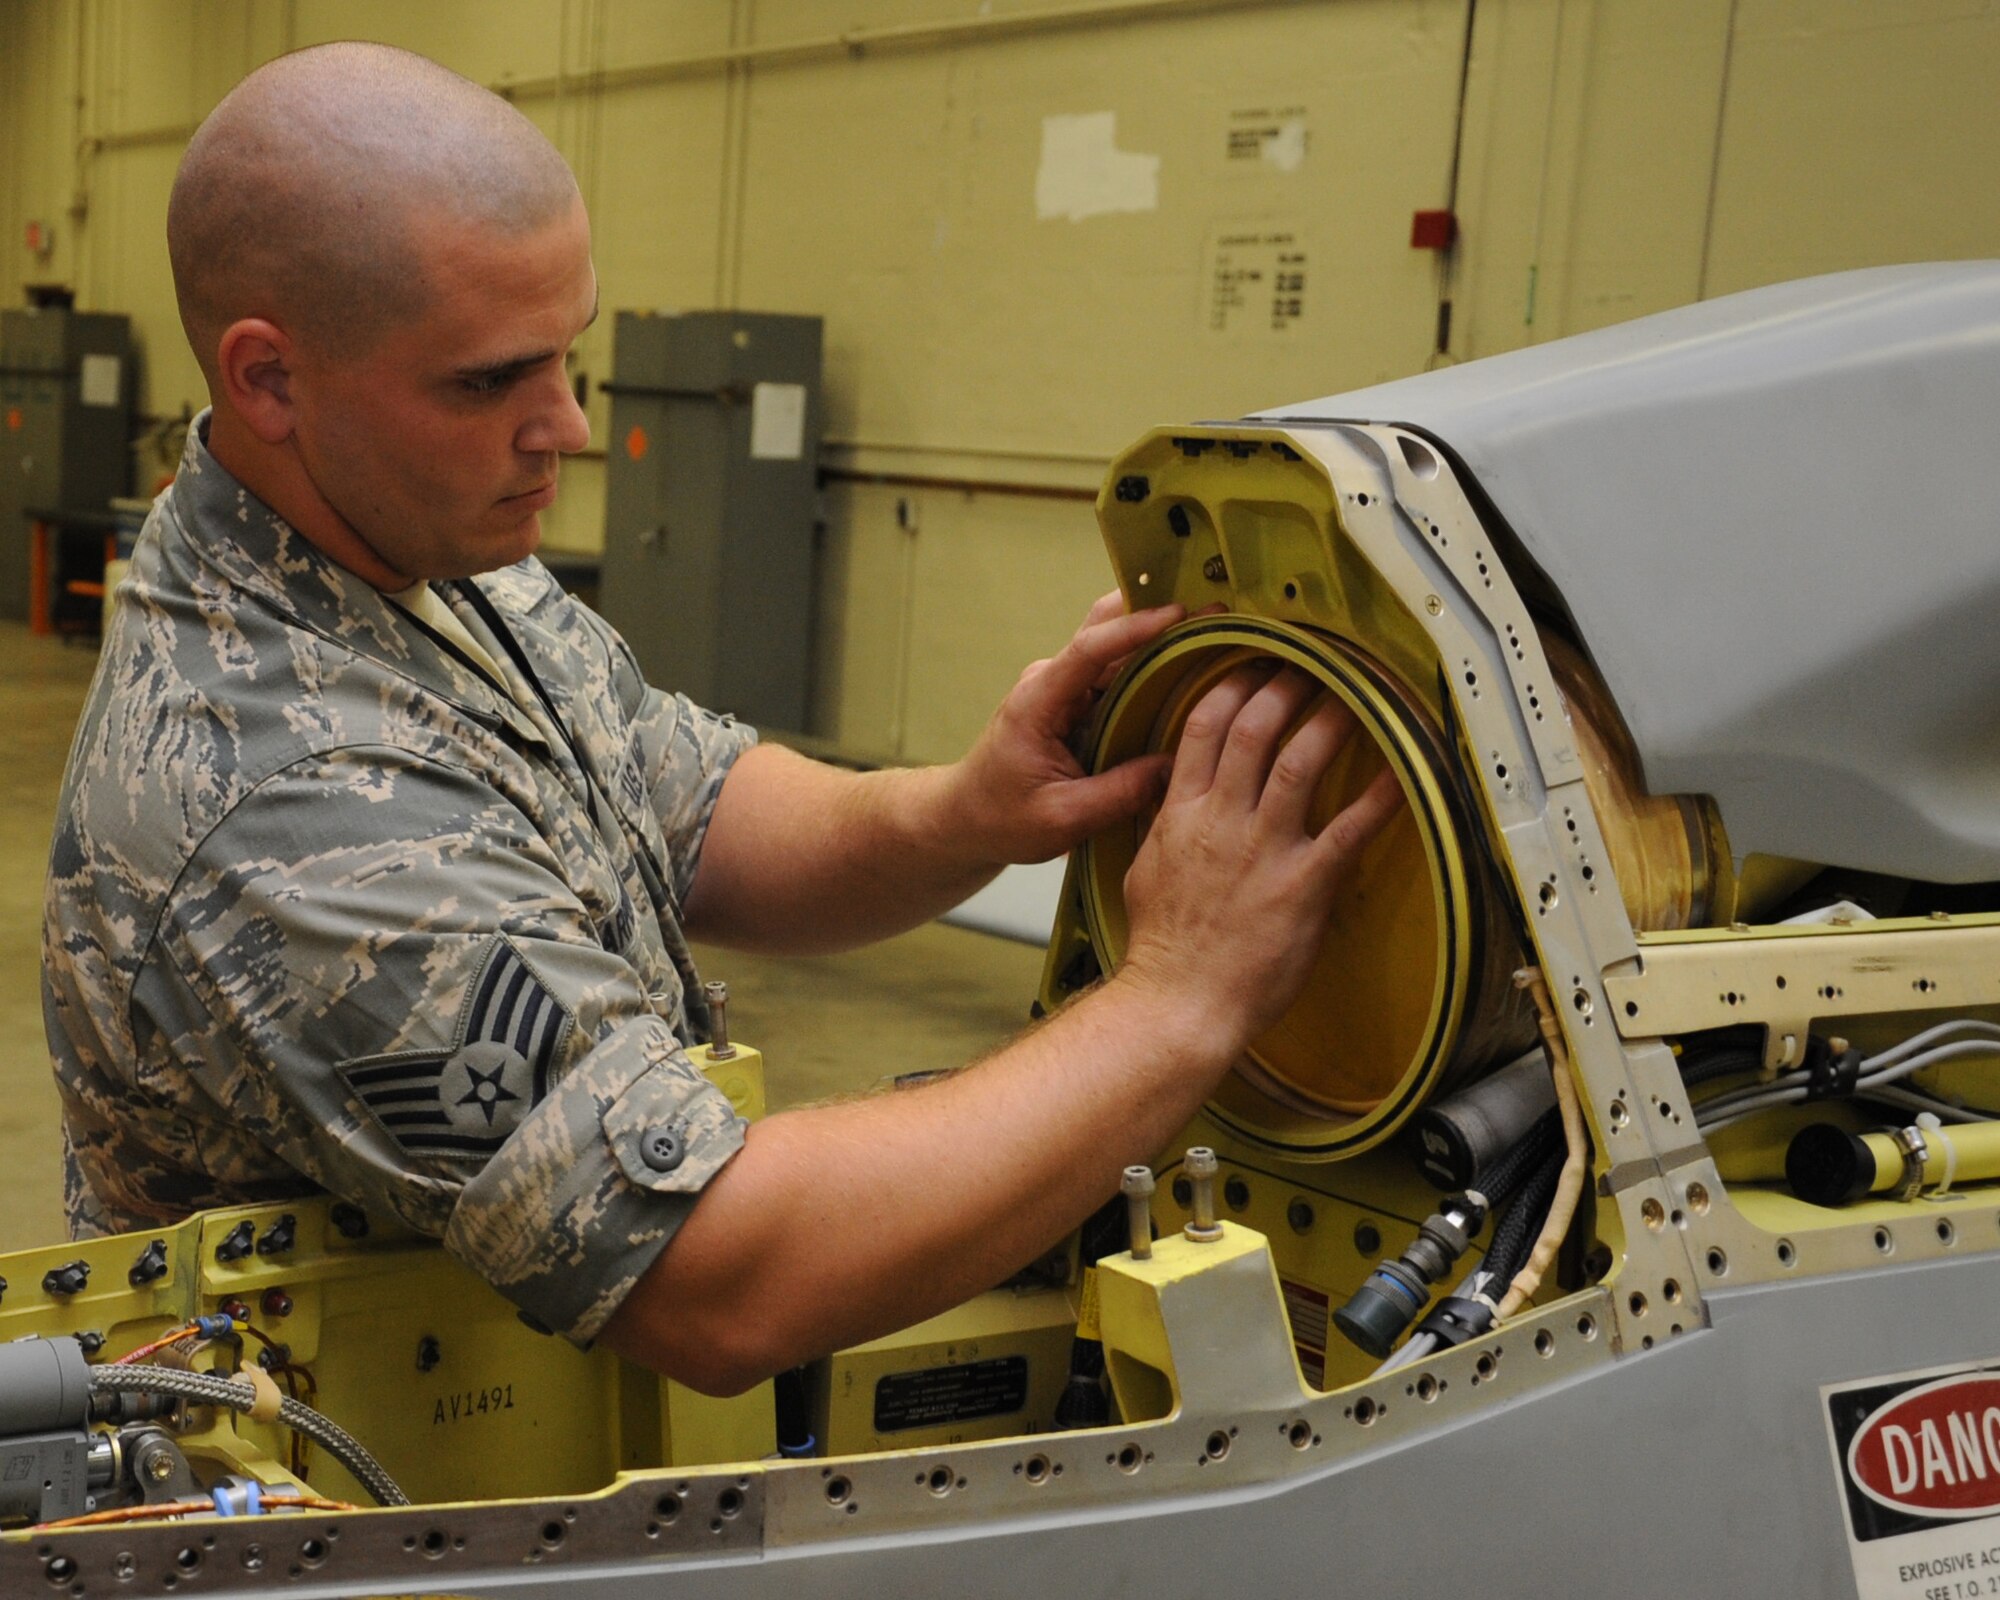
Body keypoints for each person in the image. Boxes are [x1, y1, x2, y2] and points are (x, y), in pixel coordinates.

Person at [42, 43, 1401, 1396]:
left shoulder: (416, 553)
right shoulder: (283, 800)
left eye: (568, 355)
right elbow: (720, 1281)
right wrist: (1184, 995)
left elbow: (694, 812)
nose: (567, 428)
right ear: (270, 381)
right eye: (488, 381)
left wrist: (967, 810)